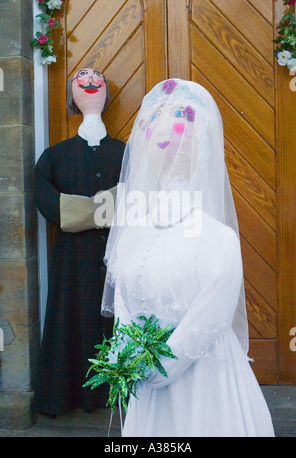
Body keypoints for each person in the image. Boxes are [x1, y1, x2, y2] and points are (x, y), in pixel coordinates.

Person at [101, 79, 275, 437]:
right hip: (147, 391)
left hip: (203, 390)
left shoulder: (217, 238)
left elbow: (209, 317)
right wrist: (126, 351)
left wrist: (162, 366)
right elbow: (122, 297)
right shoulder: (133, 232)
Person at [33, 68, 125, 417]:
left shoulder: (126, 154)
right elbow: (48, 202)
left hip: (119, 255)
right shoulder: (53, 157)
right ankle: (71, 394)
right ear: (73, 96)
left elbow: (137, 199)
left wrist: (81, 210)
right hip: (71, 263)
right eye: (81, 78)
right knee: (72, 319)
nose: (90, 81)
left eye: (96, 77)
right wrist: (106, 206)